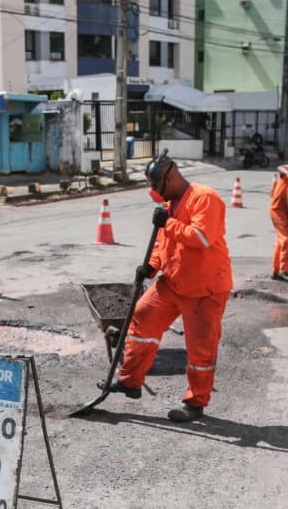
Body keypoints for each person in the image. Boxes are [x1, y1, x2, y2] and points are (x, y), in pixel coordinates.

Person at [98, 152, 233, 422]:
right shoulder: (172, 203)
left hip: (205, 289)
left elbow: (201, 238)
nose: (155, 194)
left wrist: (167, 223)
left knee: (201, 350)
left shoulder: (205, 198)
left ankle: (195, 403)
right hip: (173, 282)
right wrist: (151, 265)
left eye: (156, 187)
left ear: (169, 178)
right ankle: (130, 381)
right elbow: (163, 244)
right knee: (142, 316)